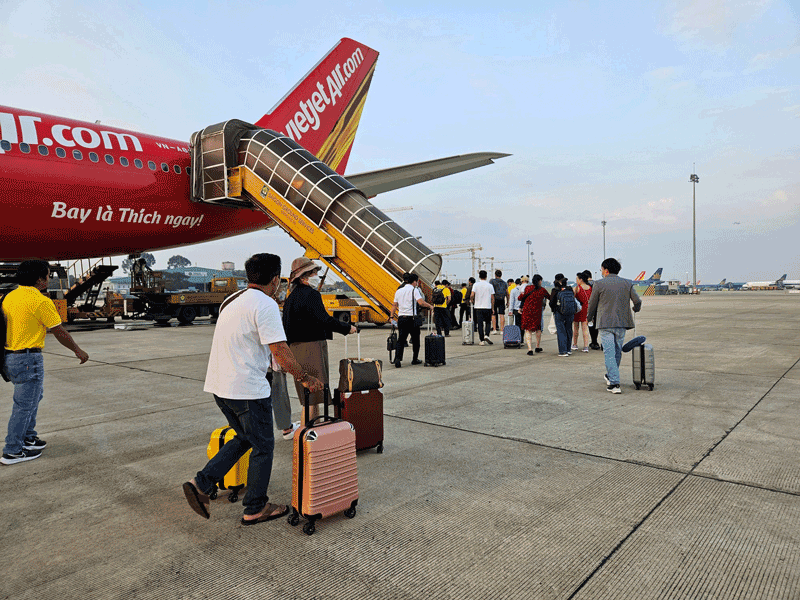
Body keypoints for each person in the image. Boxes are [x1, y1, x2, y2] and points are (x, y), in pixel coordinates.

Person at [183, 253, 324, 525]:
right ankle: (255, 507)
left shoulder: (231, 301)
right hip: (247, 389)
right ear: (274, 280)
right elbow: (280, 350)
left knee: (246, 438)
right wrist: (305, 377)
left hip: (219, 386)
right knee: (263, 447)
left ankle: (202, 482)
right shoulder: (266, 304)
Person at [1, 260, 90, 465]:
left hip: (10, 357)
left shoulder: (9, 296)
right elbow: (58, 331)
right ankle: (13, 450)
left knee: (33, 397)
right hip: (28, 358)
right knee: (24, 406)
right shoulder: (40, 301)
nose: (49, 280)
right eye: (48, 276)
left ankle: (29, 437)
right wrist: (78, 351)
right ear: (40, 279)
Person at [282, 257, 357, 424]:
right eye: (314, 272)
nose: (317, 275)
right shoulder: (311, 295)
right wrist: (347, 328)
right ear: (304, 276)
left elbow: (286, 326)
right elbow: (324, 320)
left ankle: (309, 432)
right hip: (311, 348)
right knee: (313, 396)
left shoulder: (291, 297)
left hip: (296, 349)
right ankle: (307, 437)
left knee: (308, 397)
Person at [586, 258, 642, 394]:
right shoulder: (627, 283)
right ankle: (611, 376)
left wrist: (588, 319)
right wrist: (636, 309)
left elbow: (592, 304)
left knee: (609, 353)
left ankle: (615, 383)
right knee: (616, 352)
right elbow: (637, 301)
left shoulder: (599, 284)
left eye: (601, 270)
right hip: (621, 323)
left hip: (605, 323)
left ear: (606, 270)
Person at [390, 272, 433, 367]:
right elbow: (421, 302)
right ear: (414, 282)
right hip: (412, 319)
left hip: (401, 318)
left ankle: (398, 359)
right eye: (416, 282)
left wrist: (391, 317)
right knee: (416, 340)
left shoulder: (399, 291)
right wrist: (430, 306)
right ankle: (414, 359)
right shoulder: (414, 290)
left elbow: (394, 305)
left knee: (401, 340)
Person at [518, 274, 549, 355]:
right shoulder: (542, 290)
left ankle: (530, 349)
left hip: (527, 312)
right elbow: (549, 297)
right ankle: (537, 346)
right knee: (538, 329)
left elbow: (520, 297)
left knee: (528, 330)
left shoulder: (528, 288)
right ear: (539, 281)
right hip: (537, 312)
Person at [549, 273, 575, 356]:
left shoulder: (555, 290)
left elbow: (551, 303)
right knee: (569, 330)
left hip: (559, 312)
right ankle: (568, 349)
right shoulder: (569, 289)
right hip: (570, 312)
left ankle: (562, 351)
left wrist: (554, 309)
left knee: (561, 331)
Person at [471, 270, 494, 346]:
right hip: (487, 306)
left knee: (480, 324)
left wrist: (472, 300)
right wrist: (492, 308)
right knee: (488, 322)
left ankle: (481, 340)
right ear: (486, 276)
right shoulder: (489, 285)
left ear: (479, 276)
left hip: (478, 307)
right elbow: (492, 298)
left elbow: (472, 295)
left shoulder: (475, 285)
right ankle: (486, 335)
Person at [572, 272, 592, 352]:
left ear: (580, 279)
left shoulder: (577, 288)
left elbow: (573, 299)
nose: (576, 280)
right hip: (586, 310)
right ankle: (585, 346)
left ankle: (575, 344)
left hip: (578, 310)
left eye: (577, 279)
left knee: (576, 329)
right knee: (585, 329)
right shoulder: (590, 288)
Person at [583, 270, 601, 350]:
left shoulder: (586, 284)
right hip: (598, 306)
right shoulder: (597, 283)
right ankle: (595, 341)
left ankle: (594, 342)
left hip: (589, 306)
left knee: (590, 324)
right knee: (596, 325)